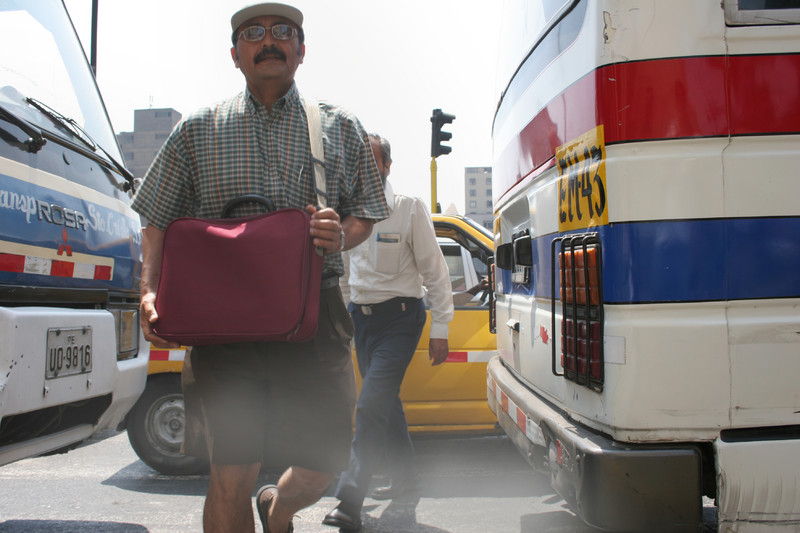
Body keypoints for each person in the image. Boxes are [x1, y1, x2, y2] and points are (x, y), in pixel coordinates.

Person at [131, 4, 389, 533]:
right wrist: (149, 289)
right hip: (225, 332)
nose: (268, 41)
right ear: (235, 55)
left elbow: (366, 211)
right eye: (253, 34)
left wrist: (342, 232)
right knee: (231, 473)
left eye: (282, 33)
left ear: (300, 50)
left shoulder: (339, 126)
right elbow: (155, 218)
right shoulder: (196, 132)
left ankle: (280, 506)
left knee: (324, 464)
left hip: (314, 320)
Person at [323, 134, 455, 532]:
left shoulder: (407, 209)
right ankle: (406, 478)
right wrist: (343, 323)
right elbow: (346, 277)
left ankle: (350, 498)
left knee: (371, 403)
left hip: (401, 319)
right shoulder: (347, 216)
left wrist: (441, 327)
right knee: (386, 402)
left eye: (371, 160)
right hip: (362, 320)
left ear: (386, 166)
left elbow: (435, 271)